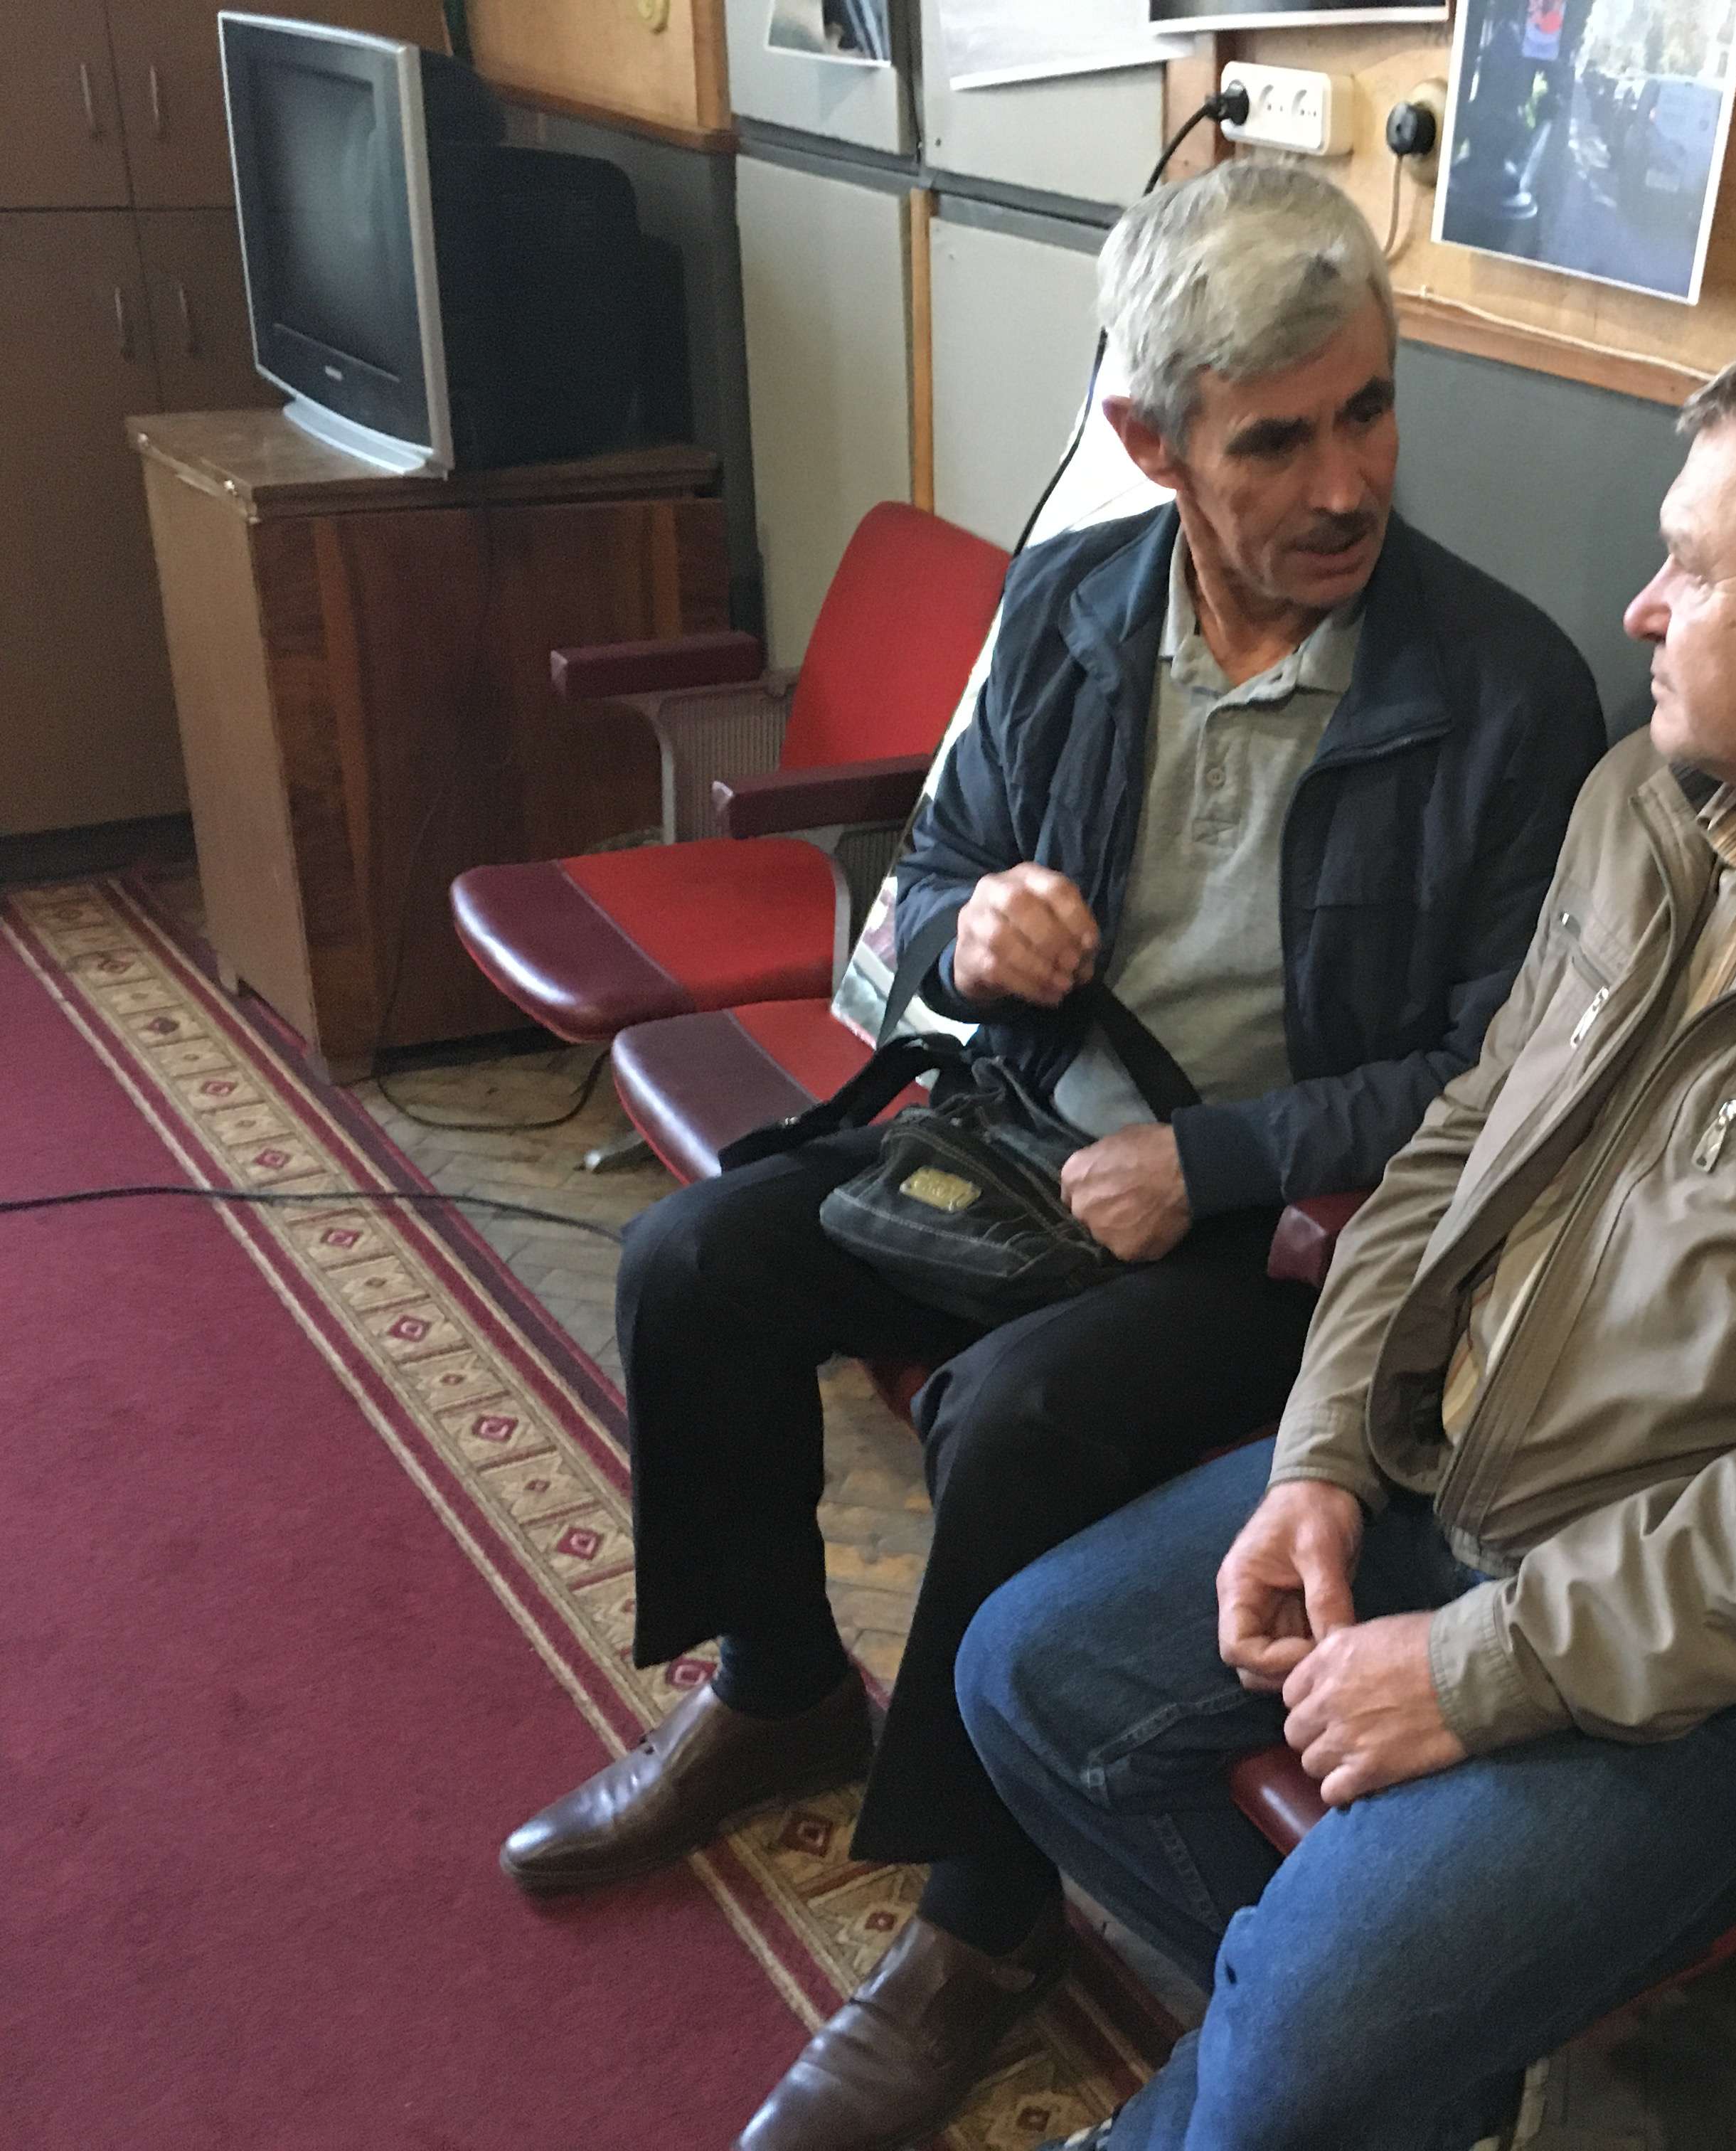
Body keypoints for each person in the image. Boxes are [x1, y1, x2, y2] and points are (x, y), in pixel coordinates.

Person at [957, 327, 1736, 2151]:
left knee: (1317, 2013)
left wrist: (1480, 1670)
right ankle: (1348, 2090)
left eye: (1692, 567)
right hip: (1441, 1482)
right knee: (1027, 1679)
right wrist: (1321, 1460)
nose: (1640, 608)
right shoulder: (1648, 799)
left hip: (1724, 1672)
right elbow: (1458, 1145)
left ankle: (1285, 2085)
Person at [494, 161, 1607, 2151]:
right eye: (1277, 441)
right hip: (1019, 1143)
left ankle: (986, 1918)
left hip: (1280, 1246)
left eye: (1369, 412)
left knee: (1010, 1417)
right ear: (1149, 443)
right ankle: (781, 1689)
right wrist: (968, 931)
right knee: (692, 1262)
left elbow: (1495, 1072)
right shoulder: (1074, 603)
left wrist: (1220, 1158)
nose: (1347, 482)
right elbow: (925, 878)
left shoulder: (1504, 691)